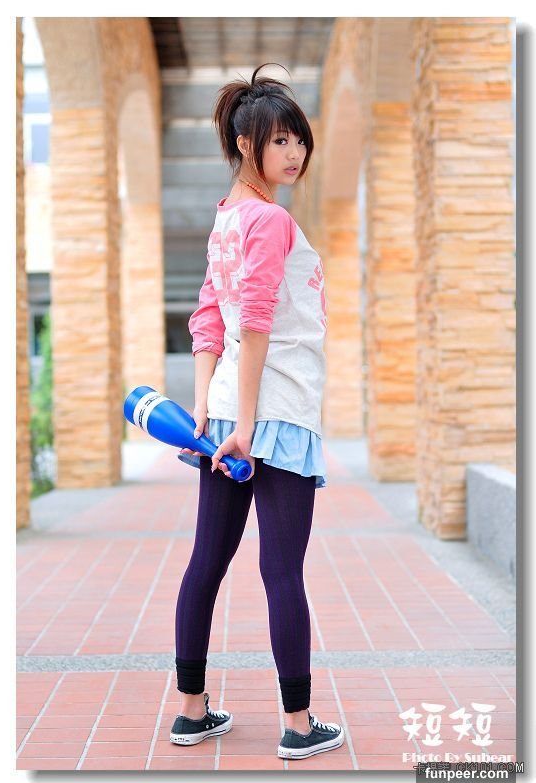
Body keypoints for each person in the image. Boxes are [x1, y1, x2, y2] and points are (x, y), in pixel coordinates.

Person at [169, 62, 344, 761]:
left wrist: (205, 407)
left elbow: (208, 319)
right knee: (282, 572)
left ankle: (191, 711)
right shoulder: (268, 219)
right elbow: (256, 322)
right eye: (279, 141)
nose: (294, 152)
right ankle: (298, 725)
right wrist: (241, 424)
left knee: (206, 562)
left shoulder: (228, 218)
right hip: (273, 414)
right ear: (247, 146)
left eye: (298, 139)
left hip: (231, 414)